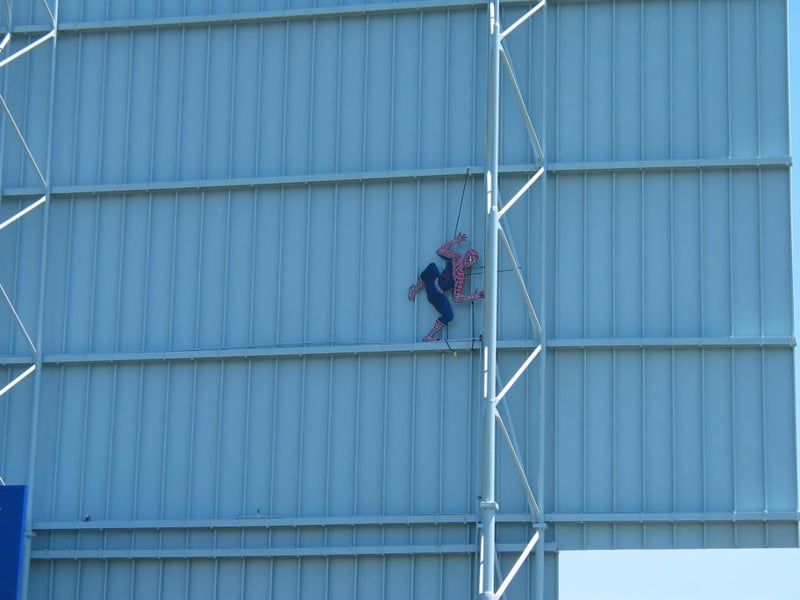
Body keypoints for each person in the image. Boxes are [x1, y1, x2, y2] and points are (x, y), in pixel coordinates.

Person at [408, 233, 485, 341]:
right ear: (466, 255)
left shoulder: (461, 277)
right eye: (470, 258)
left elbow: (456, 297)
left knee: (449, 315)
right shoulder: (456, 258)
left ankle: (429, 336)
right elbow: (440, 251)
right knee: (432, 267)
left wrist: (472, 297)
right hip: (432, 283)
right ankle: (415, 289)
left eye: (473, 261)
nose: (470, 262)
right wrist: (454, 241)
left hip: (437, 295)